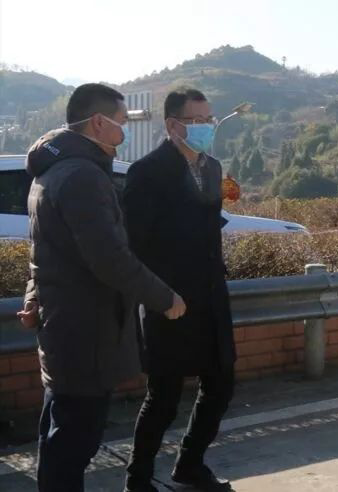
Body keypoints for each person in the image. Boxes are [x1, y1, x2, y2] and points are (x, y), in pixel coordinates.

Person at [21, 83, 185, 492]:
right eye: (121, 122)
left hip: (65, 325)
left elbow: (44, 249)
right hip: (85, 331)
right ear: (98, 122)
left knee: (59, 434)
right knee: (74, 441)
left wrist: (32, 297)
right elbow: (109, 257)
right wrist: (164, 298)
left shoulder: (53, 170)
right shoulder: (82, 176)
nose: (123, 131)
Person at [123, 88, 235, 491]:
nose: (206, 127)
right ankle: (137, 479)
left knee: (221, 384)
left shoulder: (212, 168)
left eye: (209, 120)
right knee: (164, 396)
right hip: (168, 299)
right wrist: (159, 295)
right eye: (197, 121)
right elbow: (134, 243)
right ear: (173, 125)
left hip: (211, 294)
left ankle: (190, 463)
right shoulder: (147, 172)